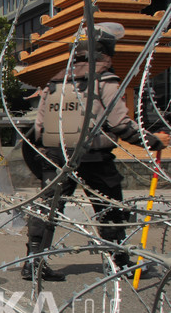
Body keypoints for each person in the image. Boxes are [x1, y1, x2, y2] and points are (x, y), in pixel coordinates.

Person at [23, 21, 169, 281]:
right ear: (107, 51)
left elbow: (39, 125)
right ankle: (119, 261)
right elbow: (121, 124)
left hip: (56, 155)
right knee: (109, 208)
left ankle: (32, 262)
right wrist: (154, 141)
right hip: (94, 156)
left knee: (49, 208)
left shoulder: (55, 81)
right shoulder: (105, 80)